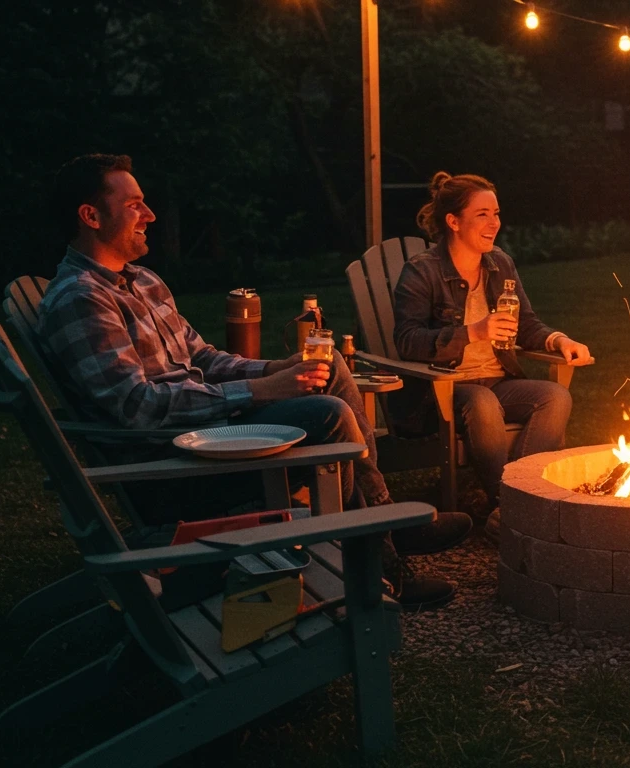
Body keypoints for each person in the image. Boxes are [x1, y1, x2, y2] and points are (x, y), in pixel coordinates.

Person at [36, 154, 468, 611]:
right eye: (135, 205)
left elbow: (199, 356)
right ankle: (383, 563)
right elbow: (137, 406)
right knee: (329, 414)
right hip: (175, 465)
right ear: (90, 215)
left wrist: (274, 369)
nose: (150, 215)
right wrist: (262, 392)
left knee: (332, 366)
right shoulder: (82, 299)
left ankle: (385, 526)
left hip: (206, 436)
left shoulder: (141, 281)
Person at [390, 172, 593, 538]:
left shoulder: (500, 264)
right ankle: (515, 504)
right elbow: (407, 341)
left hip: (496, 379)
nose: (494, 222)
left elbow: (526, 324)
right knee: (482, 402)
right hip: (442, 390)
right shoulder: (422, 271)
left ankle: (514, 501)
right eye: (482, 214)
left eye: (496, 213)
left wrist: (560, 341)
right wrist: (473, 332)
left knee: (554, 397)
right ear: (453, 221)